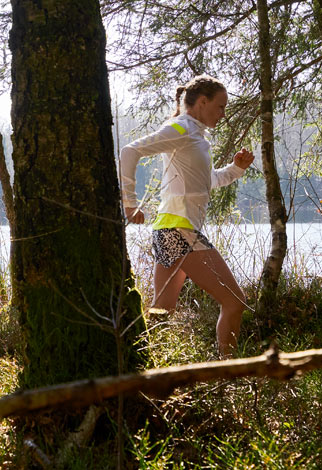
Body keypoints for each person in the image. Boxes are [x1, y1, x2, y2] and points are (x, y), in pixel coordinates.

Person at [118, 75, 254, 358]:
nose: (223, 114)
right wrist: (129, 204)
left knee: (161, 312)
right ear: (202, 102)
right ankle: (228, 372)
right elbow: (130, 152)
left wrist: (236, 169)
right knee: (235, 302)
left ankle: (144, 366)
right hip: (179, 230)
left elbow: (207, 181)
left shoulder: (196, 137)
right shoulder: (181, 128)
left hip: (169, 228)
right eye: (220, 106)